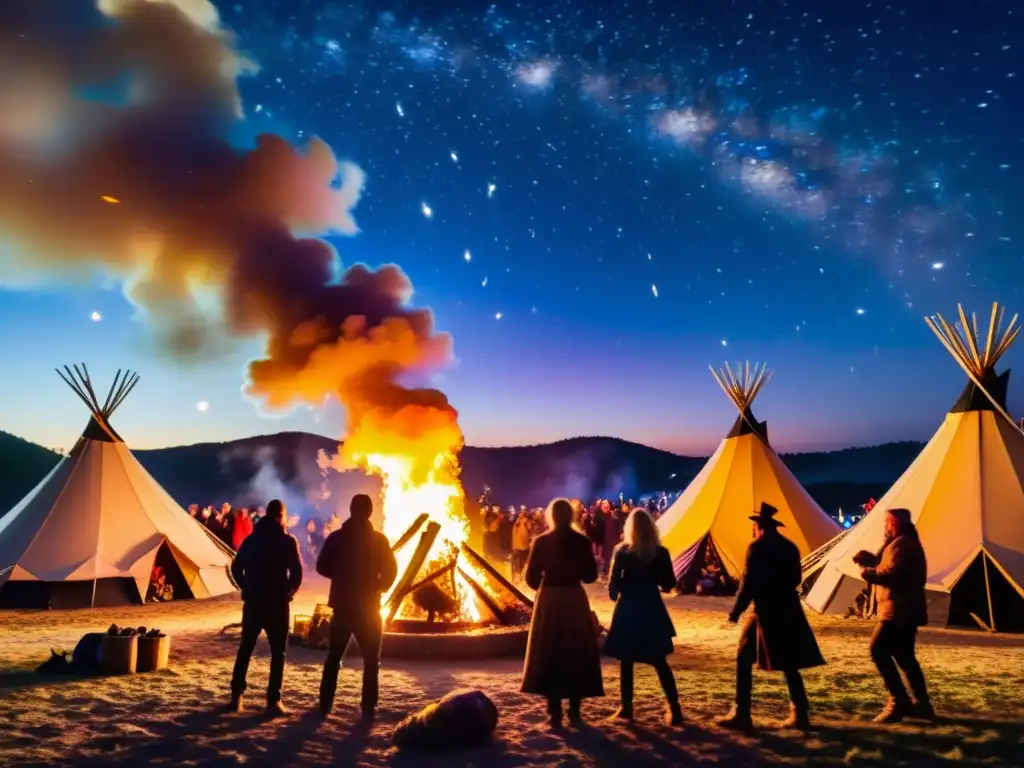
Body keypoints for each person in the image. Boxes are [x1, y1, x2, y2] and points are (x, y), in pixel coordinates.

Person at [718, 502, 825, 732]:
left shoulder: (756, 548)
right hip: (787, 608)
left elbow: (748, 584)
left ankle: (742, 712)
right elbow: (796, 578)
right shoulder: (790, 547)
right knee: (789, 663)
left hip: (765, 610)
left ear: (761, 526)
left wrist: (736, 611)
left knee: (744, 657)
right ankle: (801, 713)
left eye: (755, 525)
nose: (753, 529)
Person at [521, 498, 604, 728]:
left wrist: (544, 586)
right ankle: (575, 710)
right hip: (573, 599)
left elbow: (531, 578)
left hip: (550, 598)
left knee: (551, 649)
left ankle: (554, 711)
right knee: (575, 649)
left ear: (551, 517)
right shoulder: (582, 541)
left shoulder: (541, 542)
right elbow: (589, 576)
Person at [317, 494, 398, 723]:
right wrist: (380, 587)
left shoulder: (336, 538)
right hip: (369, 609)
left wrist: (339, 577)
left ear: (351, 511)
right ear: (370, 512)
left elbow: (321, 566)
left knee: (334, 657)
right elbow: (392, 570)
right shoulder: (379, 541)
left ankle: (325, 703)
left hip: (342, 607)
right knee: (371, 660)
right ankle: (369, 705)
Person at [854, 507, 934, 723]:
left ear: (896, 524)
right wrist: (873, 561)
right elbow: (892, 566)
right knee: (904, 656)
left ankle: (899, 701)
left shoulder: (903, 544)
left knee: (878, 649)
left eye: (888, 523)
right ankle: (922, 704)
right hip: (904, 609)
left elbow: (893, 574)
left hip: (899, 610)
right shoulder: (903, 543)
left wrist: (868, 572)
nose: (885, 527)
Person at [604, 509, 683, 726]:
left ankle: (626, 707)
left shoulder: (622, 551)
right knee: (658, 659)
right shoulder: (660, 552)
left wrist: (618, 589)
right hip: (650, 606)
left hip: (629, 607)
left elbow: (613, 585)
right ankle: (674, 708)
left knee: (627, 660)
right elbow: (670, 583)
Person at [228, 499, 303, 717]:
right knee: (278, 653)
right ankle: (273, 700)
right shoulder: (287, 541)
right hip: (277, 604)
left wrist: (245, 587)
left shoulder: (252, 539)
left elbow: (236, 566)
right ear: (281, 516)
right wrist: (289, 591)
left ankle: (236, 696)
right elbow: (297, 572)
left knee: (246, 648)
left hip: (254, 602)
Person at [511, 511, 533, 581]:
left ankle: (523, 575)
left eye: (523, 514)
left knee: (525, 562)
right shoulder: (516, 522)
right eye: (520, 513)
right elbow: (514, 533)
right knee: (518, 562)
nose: (521, 515)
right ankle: (518, 575)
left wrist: (526, 523)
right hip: (518, 546)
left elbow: (530, 529)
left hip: (525, 546)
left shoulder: (526, 522)